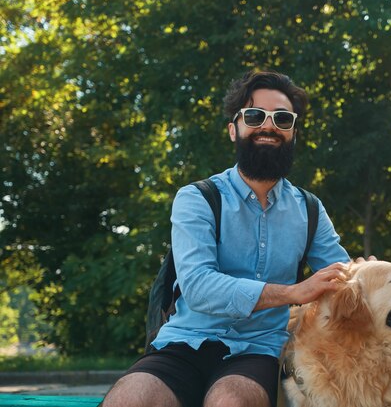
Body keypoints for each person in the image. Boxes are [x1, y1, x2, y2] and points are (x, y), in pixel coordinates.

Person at [101, 70, 352, 407]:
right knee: (130, 400)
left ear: (293, 132)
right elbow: (200, 287)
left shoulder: (309, 209)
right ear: (234, 129)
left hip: (257, 351)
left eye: (282, 118)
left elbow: (344, 278)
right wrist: (293, 293)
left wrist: (374, 282)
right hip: (184, 344)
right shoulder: (197, 198)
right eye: (254, 115)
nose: (268, 126)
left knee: (230, 402)